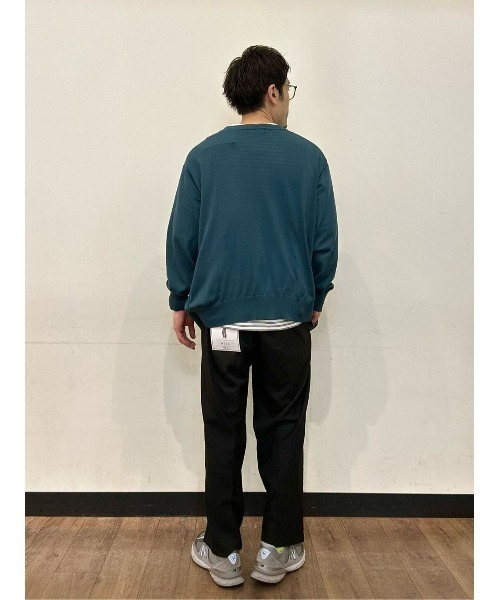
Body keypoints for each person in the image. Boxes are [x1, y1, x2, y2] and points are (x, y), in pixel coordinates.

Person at [165, 45, 338, 587]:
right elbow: (324, 240)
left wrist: (180, 298)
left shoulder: (203, 158)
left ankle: (222, 551)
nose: (289, 101)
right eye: (289, 91)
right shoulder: (309, 158)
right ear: (273, 91)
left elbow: (183, 236)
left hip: (222, 322)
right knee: (283, 430)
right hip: (287, 320)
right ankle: (277, 547)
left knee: (222, 432)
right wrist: (317, 294)